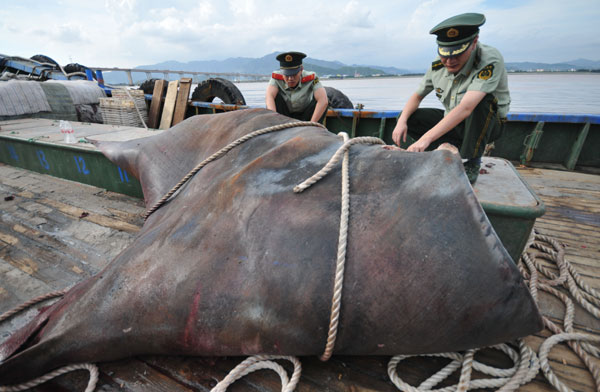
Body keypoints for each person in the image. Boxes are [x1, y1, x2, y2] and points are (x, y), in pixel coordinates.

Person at [391, 13, 510, 184]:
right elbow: (417, 96)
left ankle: (470, 161)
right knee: (409, 118)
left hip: (487, 125)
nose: (449, 61)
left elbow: (467, 108)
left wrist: (425, 138)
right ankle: (446, 150)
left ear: (474, 42)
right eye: (445, 54)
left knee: (482, 102)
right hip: (455, 123)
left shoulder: (489, 59)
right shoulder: (438, 66)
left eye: (457, 54)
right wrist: (401, 121)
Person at [266, 51, 328, 122]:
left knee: (323, 99)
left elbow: (323, 100)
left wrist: (311, 124)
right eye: (287, 75)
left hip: (305, 115)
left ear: (301, 70)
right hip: (284, 116)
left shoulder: (311, 77)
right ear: (282, 72)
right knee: (275, 98)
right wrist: (274, 120)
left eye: (294, 74)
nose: (290, 79)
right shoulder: (276, 77)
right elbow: (269, 96)